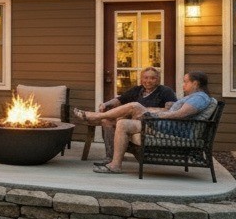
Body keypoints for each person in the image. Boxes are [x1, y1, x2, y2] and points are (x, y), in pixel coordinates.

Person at [72, 71, 213, 174]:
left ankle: (94, 117)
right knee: (122, 123)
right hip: (166, 125)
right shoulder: (195, 97)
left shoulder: (199, 97)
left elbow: (179, 114)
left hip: (171, 128)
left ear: (195, 83)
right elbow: (121, 99)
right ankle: (115, 165)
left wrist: (154, 116)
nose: (183, 84)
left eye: (185, 81)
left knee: (134, 106)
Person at [93, 67, 177, 160]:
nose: (148, 81)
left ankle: (95, 116)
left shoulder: (165, 91)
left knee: (126, 115)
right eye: (145, 78)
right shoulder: (138, 89)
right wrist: (105, 104)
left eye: (152, 78)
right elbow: (120, 99)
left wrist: (147, 110)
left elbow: (171, 110)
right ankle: (110, 156)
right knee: (106, 121)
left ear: (158, 80)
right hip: (133, 121)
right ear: (141, 79)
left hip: (151, 124)